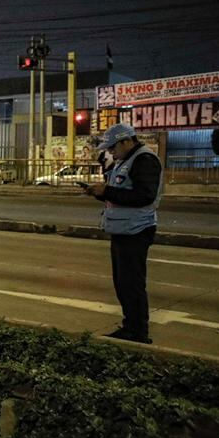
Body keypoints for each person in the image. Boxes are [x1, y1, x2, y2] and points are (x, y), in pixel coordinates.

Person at [84, 123, 163, 344]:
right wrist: (101, 193)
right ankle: (131, 326)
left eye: (112, 147)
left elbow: (143, 196)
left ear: (126, 141)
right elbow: (123, 192)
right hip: (123, 229)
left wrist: (107, 191)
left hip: (136, 230)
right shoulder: (126, 160)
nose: (110, 152)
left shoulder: (144, 160)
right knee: (122, 283)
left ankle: (138, 332)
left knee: (131, 284)